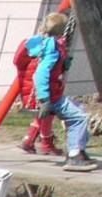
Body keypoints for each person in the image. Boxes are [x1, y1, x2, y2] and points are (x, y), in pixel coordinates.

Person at [28, 14, 94, 170]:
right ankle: (74, 155)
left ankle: (80, 150)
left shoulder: (53, 45)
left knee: (80, 110)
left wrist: (64, 63)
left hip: (54, 93)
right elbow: (41, 73)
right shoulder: (53, 49)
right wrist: (44, 100)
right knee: (79, 118)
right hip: (52, 96)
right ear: (62, 30)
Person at [16, 31, 63, 155]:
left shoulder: (33, 46)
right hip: (41, 89)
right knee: (47, 115)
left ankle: (29, 140)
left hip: (30, 85)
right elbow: (44, 73)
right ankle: (46, 143)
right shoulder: (49, 47)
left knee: (41, 115)